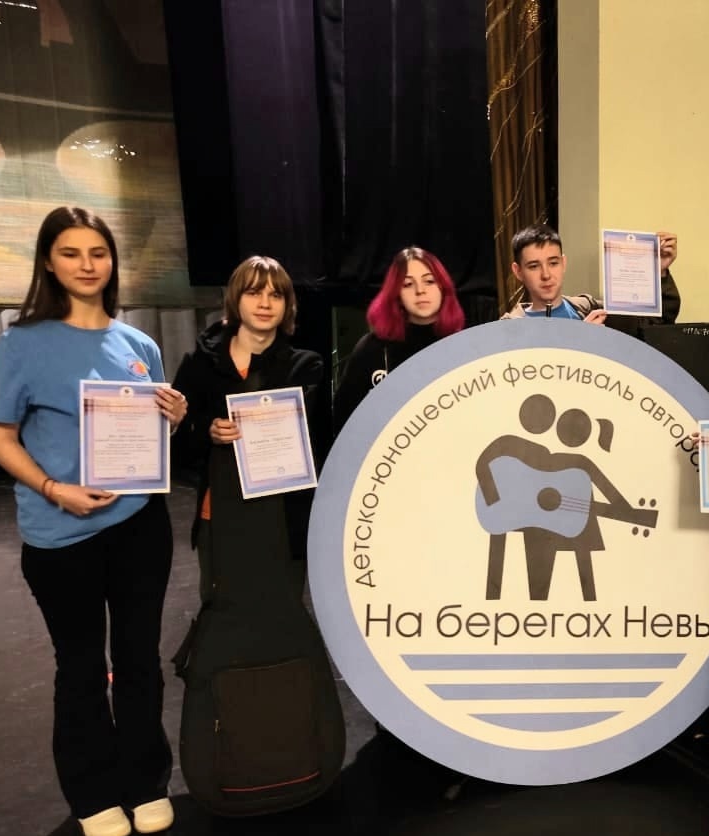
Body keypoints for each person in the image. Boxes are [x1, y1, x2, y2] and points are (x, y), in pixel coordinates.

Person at [0, 206, 188, 836]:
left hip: (139, 527)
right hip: (60, 534)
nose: (87, 265)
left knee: (139, 660)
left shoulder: (140, 345)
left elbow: (148, 434)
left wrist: (172, 416)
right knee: (79, 668)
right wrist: (54, 489)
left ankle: (146, 781)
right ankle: (92, 792)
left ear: (112, 261)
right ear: (49, 262)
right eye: (71, 253)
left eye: (98, 252)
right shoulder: (21, 342)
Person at [172, 256, 324, 603]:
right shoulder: (199, 365)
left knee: (281, 612)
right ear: (235, 299)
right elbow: (179, 450)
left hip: (281, 519)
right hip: (219, 515)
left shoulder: (305, 367)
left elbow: (315, 446)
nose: (265, 303)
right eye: (254, 292)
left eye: (275, 295)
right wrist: (207, 431)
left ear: (287, 305)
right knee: (222, 612)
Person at [332, 246, 466, 435]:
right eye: (408, 284)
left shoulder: (464, 347)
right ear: (396, 294)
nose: (420, 291)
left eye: (429, 281)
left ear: (443, 288)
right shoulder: (372, 349)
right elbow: (344, 421)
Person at [498, 224, 681, 324]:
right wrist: (585, 341)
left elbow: (653, 325)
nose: (546, 275)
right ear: (518, 272)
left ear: (563, 264)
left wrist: (659, 272)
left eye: (553, 263)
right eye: (534, 266)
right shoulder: (509, 328)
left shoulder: (589, 309)